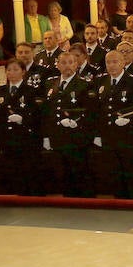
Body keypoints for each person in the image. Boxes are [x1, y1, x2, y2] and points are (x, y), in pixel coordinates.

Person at [93, 50, 133, 199]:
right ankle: (119, 201)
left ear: (123, 63)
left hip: (128, 135)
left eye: (115, 62)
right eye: (108, 62)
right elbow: (97, 110)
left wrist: (130, 120)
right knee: (113, 170)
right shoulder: (101, 82)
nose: (111, 65)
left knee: (129, 170)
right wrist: (97, 134)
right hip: (108, 135)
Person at [41, 51, 94, 197]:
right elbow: (46, 112)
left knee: (79, 172)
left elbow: (90, 111)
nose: (67, 66)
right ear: (57, 65)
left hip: (77, 137)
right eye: (63, 63)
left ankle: (82, 204)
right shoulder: (50, 83)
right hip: (57, 136)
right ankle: (68, 204)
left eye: (71, 62)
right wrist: (46, 136)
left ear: (76, 65)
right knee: (62, 172)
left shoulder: (84, 84)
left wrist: (75, 121)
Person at [0, 59, 42, 195]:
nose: (11, 73)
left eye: (15, 69)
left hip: (25, 139)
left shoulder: (31, 91)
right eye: (9, 70)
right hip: (6, 140)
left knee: (26, 174)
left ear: (23, 72)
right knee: (10, 174)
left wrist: (23, 119)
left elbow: (38, 116)